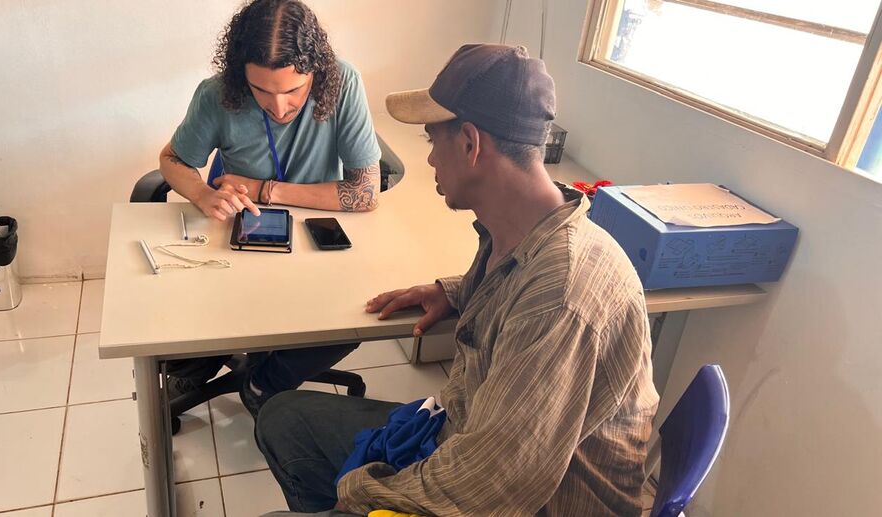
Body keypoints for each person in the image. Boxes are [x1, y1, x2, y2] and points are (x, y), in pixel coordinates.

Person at [255, 44, 660, 516]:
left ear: (470, 144)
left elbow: (490, 487)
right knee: (283, 417)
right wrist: (455, 291)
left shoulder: (561, 297)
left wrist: (361, 494)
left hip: (532, 502)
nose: (428, 162)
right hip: (470, 439)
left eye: (432, 141)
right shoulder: (520, 229)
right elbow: (512, 296)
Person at [158, 0, 381, 416]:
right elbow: (171, 161)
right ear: (241, 75)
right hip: (243, 239)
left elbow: (365, 192)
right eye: (262, 91)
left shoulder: (344, 82)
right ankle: (200, 363)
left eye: (294, 90)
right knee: (196, 318)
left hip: (317, 239)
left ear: (317, 71)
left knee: (358, 316)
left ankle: (265, 383)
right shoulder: (217, 93)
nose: (279, 108)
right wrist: (204, 195)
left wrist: (265, 189)